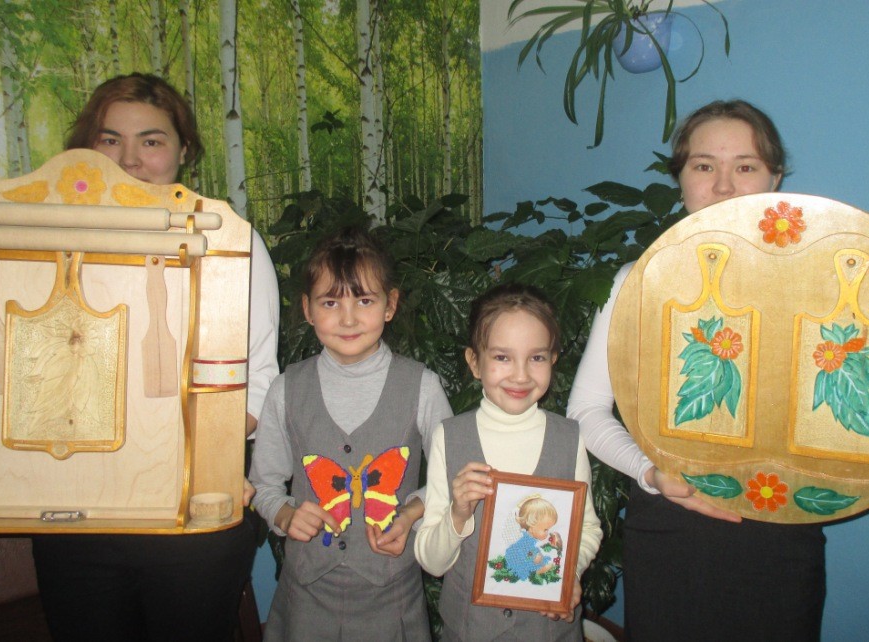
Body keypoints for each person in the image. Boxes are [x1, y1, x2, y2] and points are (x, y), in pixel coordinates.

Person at [31, 73, 280, 642]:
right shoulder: (44, 241)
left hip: (191, 510)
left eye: (151, 140)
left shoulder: (226, 240)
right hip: (75, 514)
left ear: (183, 150)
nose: (130, 159)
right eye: (109, 139)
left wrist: (191, 456)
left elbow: (260, 381)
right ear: (86, 148)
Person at [568, 99, 827, 641]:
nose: (724, 186)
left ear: (775, 179)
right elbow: (585, 411)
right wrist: (651, 472)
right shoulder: (635, 283)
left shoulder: (827, 288)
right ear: (681, 178)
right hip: (670, 529)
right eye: (704, 165)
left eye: (746, 166)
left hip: (783, 528)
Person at [249, 226, 453, 641]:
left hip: (392, 599)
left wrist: (411, 514)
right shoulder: (286, 389)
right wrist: (286, 514)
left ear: (390, 305)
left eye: (364, 300)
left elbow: (450, 480)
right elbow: (264, 485)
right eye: (330, 302)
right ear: (307, 309)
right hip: (306, 599)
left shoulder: (422, 386)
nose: (348, 318)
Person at [415, 283, 602, 641]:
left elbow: (587, 529)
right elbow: (432, 562)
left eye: (537, 358)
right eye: (502, 357)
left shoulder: (569, 438)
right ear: (475, 362)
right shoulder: (449, 437)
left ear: (553, 360)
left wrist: (568, 575)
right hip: (471, 631)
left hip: (549, 631)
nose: (520, 375)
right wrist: (458, 514)